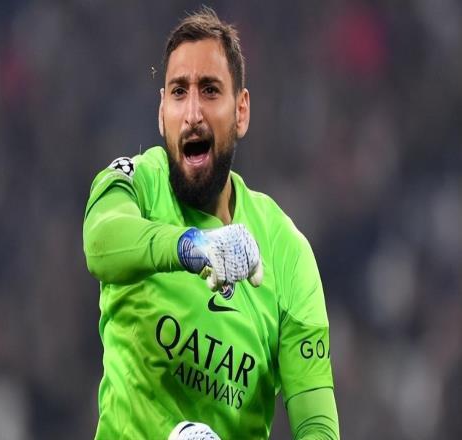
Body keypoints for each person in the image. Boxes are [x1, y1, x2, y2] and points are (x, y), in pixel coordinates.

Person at [83, 6, 339, 440]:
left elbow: (317, 426)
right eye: (178, 92)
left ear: (241, 111)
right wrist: (191, 247)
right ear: (161, 112)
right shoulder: (136, 184)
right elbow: (101, 243)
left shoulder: (287, 251)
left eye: (210, 91)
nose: (193, 113)